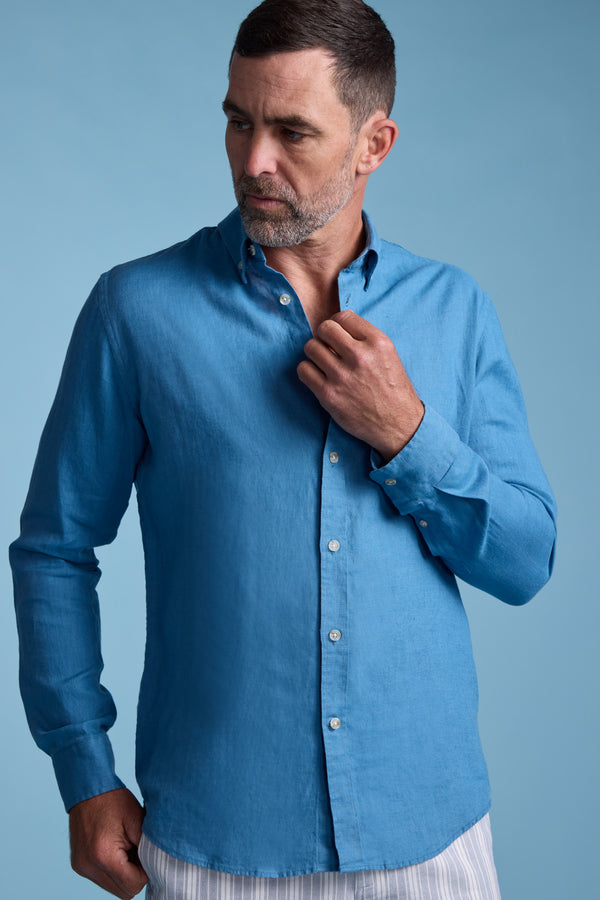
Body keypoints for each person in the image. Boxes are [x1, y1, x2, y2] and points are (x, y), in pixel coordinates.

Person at [10, 1, 557, 898]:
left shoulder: (457, 312)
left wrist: (407, 435)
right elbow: (54, 550)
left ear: (373, 143)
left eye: (292, 131)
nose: (253, 161)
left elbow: (527, 560)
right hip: (215, 847)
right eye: (238, 120)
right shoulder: (135, 311)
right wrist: (84, 768)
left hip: (431, 839)